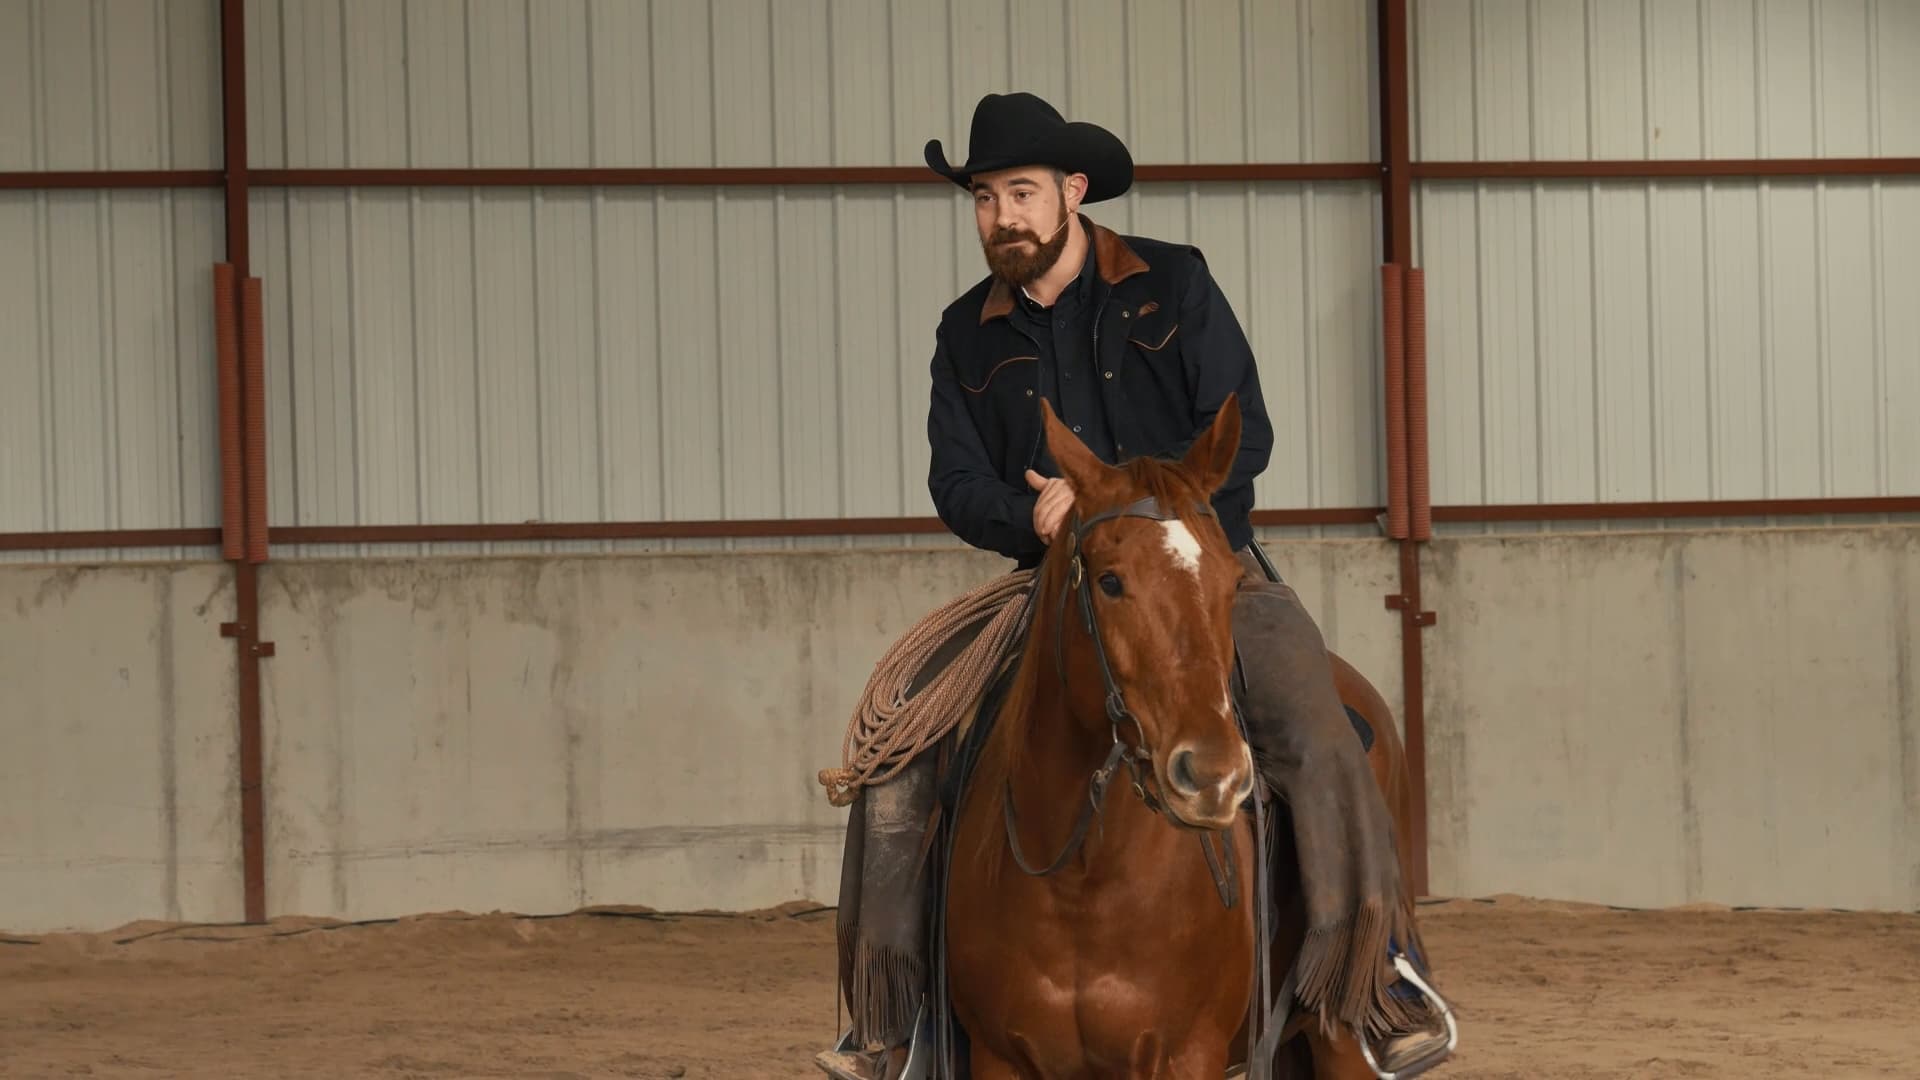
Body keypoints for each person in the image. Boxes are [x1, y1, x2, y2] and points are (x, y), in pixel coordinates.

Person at [818, 92, 1455, 1080]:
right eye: (985, 199)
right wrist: (1022, 517)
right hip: (1051, 585)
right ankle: (892, 1015)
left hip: (1200, 569)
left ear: (1073, 191)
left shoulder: (1173, 285)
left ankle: (1376, 981)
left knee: (1320, 727)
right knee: (900, 741)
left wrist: (1149, 518)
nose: (1003, 218)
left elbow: (1245, 435)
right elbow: (955, 480)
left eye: (1020, 193)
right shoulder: (967, 333)